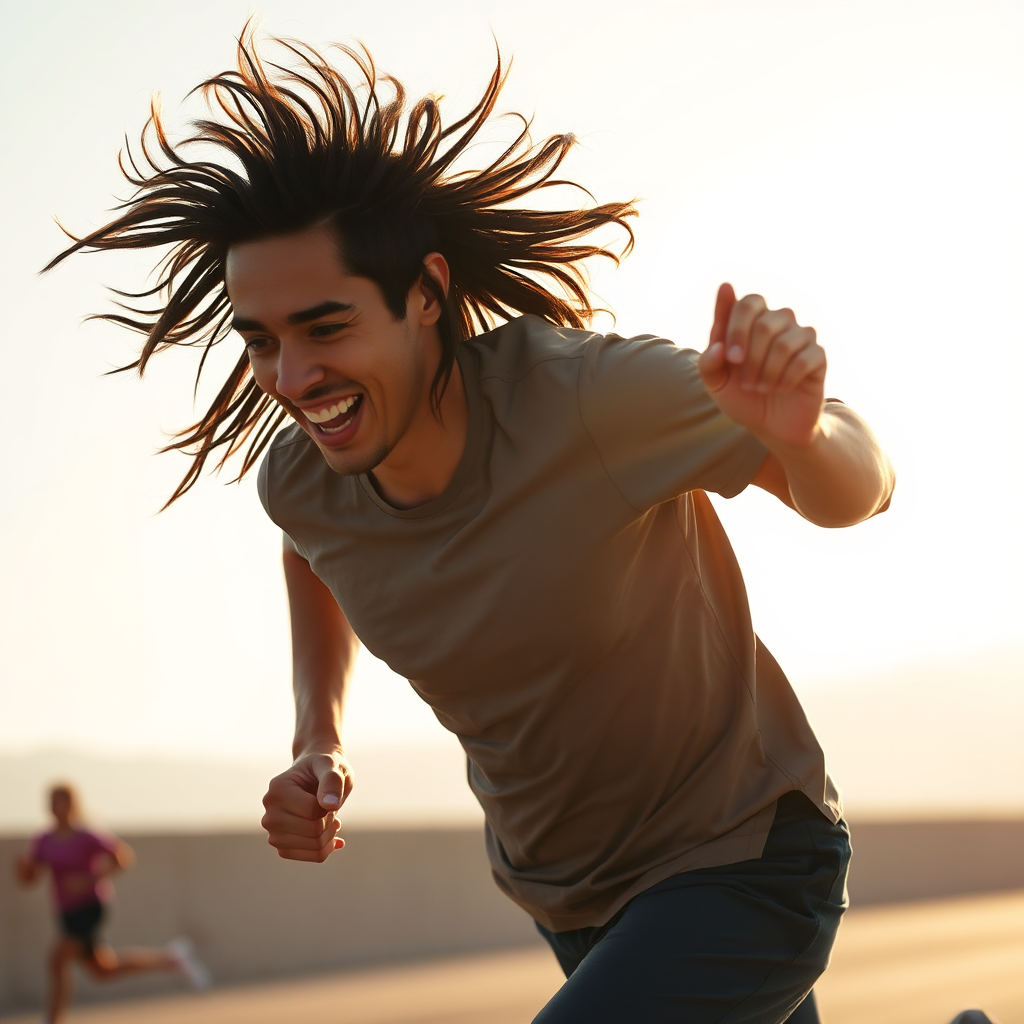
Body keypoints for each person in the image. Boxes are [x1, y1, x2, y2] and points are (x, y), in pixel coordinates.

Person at [44, 29, 989, 1024]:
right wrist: (318, 736)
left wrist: (802, 430)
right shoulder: (305, 482)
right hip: (569, 898)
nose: (291, 379)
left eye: (325, 328)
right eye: (263, 341)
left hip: (744, 858)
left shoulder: (581, 402)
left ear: (426, 295)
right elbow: (311, 555)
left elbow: (858, 489)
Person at [16, 784, 211, 1022]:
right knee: (103, 970)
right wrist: (23, 869)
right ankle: (171, 959)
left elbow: (123, 857)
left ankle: (52, 1020)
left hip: (89, 907)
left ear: (71, 804)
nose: (57, 808)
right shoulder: (43, 840)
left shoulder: (86, 836)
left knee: (57, 959)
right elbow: (29, 879)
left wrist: (88, 880)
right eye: (53, 803)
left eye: (62, 802)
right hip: (65, 912)